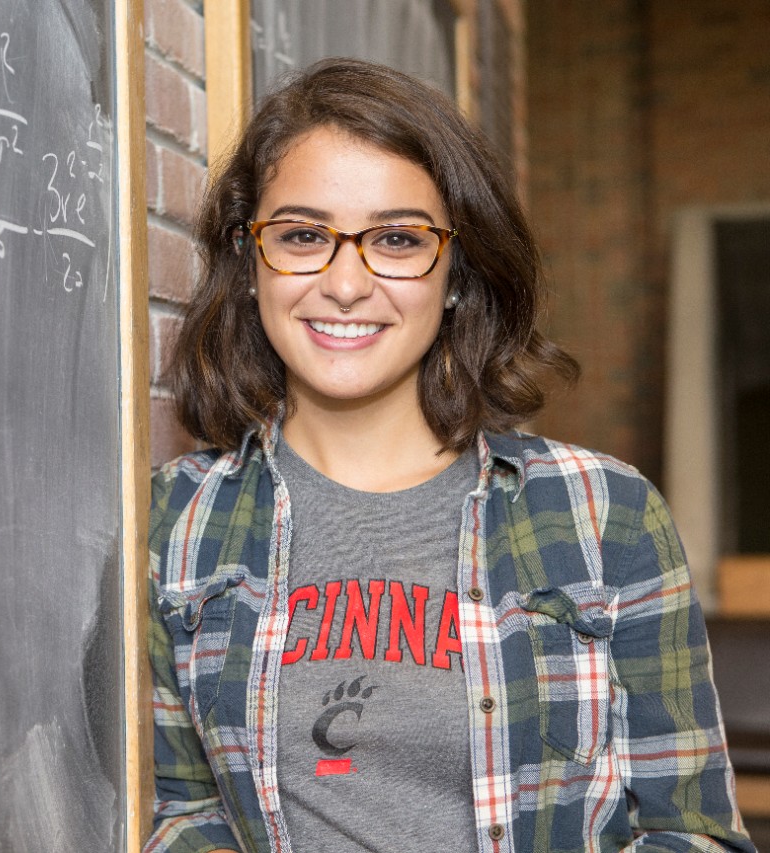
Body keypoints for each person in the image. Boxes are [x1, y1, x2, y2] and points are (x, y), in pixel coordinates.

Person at [145, 58, 754, 853]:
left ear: (457, 272)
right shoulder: (178, 525)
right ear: (251, 260)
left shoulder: (607, 513)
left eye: (397, 239)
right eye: (302, 236)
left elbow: (695, 833)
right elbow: (183, 814)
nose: (346, 282)